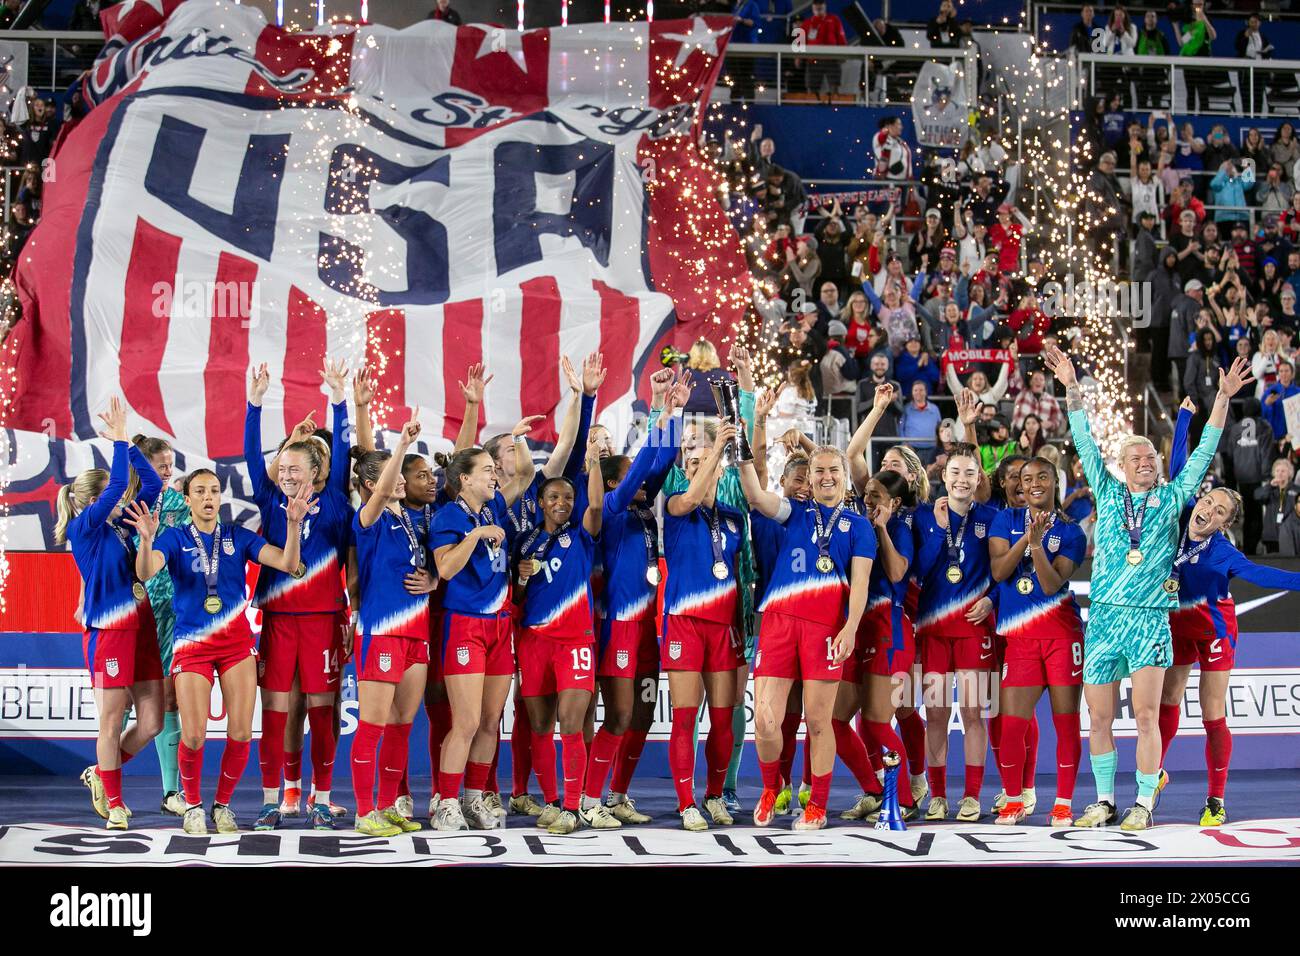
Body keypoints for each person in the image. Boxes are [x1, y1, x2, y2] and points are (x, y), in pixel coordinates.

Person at [1044, 345, 1251, 831]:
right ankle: (1103, 800)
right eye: (1136, 456)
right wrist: (1072, 385)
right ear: (1121, 464)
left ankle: (1142, 803)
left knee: (1145, 716)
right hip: (1106, 619)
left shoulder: (1174, 495)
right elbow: (1083, 438)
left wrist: (1221, 400)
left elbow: (1203, 452)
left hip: (1149, 619)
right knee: (1096, 718)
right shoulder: (1107, 489)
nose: (1145, 461)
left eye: (1151, 456)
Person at [126, 468, 310, 834]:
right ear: (188, 498)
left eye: (214, 490)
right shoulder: (175, 538)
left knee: (241, 733)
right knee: (193, 735)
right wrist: (146, 540)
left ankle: (222, 805)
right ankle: (192, 805)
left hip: (236, 646)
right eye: (200, 491)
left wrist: (293, 525)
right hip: (192, 645)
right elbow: (145, 572)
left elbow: (289, 564)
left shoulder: (237, 536)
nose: (209, 497)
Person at [739, 442, 875, 830]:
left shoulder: (859, 526)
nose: (826, 477)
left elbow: (861, 584)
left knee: (819, 722)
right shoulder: (793, 512)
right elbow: (755, 495)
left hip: (826, 629)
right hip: (779, 622)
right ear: (810, 478)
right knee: (765, 721)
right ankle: (770, 788)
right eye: (819, 471)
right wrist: (745, 454)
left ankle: (817, 804)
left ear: (845, 479)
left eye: (834, 470)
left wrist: (850, 627)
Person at [243, 361, 354, 832]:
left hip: (324, 621)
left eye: (294, 467)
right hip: (280, 622)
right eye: (281, 466)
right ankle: (277, 796)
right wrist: (255, 404)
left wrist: (338, 397)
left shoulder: (333, 501)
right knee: (275, 713)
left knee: (322, 714)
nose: (284, 472)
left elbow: (345, 451)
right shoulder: (269, 500)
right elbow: (252, 455)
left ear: (317, 469)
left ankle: (322, 798)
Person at [429, 416, 542, 831]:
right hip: (465, 625)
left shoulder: (494, 505)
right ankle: (445, 801)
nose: (496, 475)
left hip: (498, 625)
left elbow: (527, 474)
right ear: (464, 480)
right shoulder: (446, 518)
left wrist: (515, 437)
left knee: (491, 721)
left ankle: (474, 798)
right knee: (467, 721)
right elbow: (445, 570)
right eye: (487, 471)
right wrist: (476, 537)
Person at [58, 399, 166, 829]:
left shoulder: (123, 528)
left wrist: (133, 445)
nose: (125, 498)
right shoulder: (85, 529)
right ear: (93, 502)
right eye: (115, 496)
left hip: (140, 629)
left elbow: (153, 485)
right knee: (111, 720)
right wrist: (121, 439)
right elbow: (120, 477)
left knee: (153, 722)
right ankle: (116, 803)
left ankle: (101, 773)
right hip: (108, 633)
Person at [589, 371, 684, 824]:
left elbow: (660, 465)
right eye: (630, 478)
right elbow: (645, 464)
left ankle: (616, 796)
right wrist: (658, 408)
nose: (641, 482)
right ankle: (589, 799)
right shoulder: (611, 508)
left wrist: (677, 412)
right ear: (612, 484)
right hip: (619, 627)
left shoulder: (645, 509)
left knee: (643, 716)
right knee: (619, 716)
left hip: (647, 626)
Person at [988, 458, 1087, 826]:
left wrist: (1038, 546)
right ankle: (1014, 799)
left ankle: (1063, 802)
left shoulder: (1072, 531)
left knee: (1065, 723)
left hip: (1062, 636)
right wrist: (1027, 541)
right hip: (1021, 638)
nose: (1032, 484)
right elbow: (999, 571)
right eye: (1026, 478)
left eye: (1042, 477)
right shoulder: (1005, 521)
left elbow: (1050, 584)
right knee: (1011, 724)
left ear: (1055, 482)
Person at [661, 423, 747, 831]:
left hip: (722, 627)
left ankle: (715, 795)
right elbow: (693, 494)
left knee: (723, 716)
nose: (696, 466)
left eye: (704, 461)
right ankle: (685, 802)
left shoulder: (733, 519)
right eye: (690, 461)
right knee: (684, 716)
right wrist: (712, 456)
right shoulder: (677, 505)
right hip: (684, 624)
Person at [912, 444, 999, 822]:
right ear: (943, 477)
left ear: (978, 478)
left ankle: (973, 795)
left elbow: (1004, 571)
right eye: (956, 473)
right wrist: (939, 532)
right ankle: (938, 795)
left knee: (974, 713)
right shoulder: (922, 517)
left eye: (969, 473)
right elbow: (917, 569)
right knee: (935, 714)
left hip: (973, 631)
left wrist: (993, 599)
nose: (962, 480)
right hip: (932, 631)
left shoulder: (991, 518)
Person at [129, 433, 189, 817]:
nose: (168, 471)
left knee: (169, 700)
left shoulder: (180, 502)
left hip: (171, 609)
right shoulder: (124, 504)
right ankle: (106, 780)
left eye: (170, 464)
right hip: (131, 608)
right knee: (118, 702)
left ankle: (172, 792)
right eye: (160, 465)